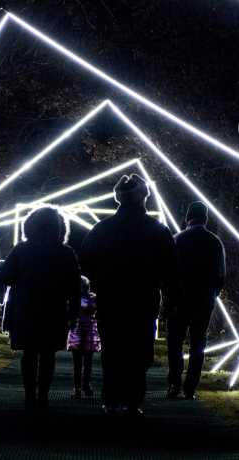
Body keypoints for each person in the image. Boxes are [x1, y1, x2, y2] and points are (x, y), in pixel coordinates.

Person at [81, 174, 178, 416]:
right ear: (144, 198)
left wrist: (100, 281)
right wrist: (168, 299)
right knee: (139, 350)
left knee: (112, 350)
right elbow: (171, 269)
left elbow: (85, 262)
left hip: (110, 299)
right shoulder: (158, 231)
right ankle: (133, 400)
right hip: (143, 301)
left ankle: (112, 399)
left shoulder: (101, 229)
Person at [0, 205, 81, 410]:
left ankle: (29, 395)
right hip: (53, 310)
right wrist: (74, 313)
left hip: (25, 309)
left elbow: (5, 276)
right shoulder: (65, 253)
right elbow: (74, 286)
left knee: (29, 354)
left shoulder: (21, 250)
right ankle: (43, 395)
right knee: (48, 354)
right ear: (59, 228)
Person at [166, 201, 226, 400]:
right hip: (203, 300)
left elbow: (168, 273)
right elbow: (221, 275)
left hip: (179, 299)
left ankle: (174, 383)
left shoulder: (177, 240)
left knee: (175, 342)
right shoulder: (215, 242)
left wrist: (168, 298)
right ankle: (190, 388)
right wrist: (212, 294)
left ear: (187, 218)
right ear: (206, 218)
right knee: (198, 344)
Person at [67, 275, 101, 399]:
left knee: (77, 363)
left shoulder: (73, 300)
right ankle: (86, 385)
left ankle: (77, 389)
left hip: (77, 332)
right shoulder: (93, 299)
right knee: (88, 362)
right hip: (90, 333)